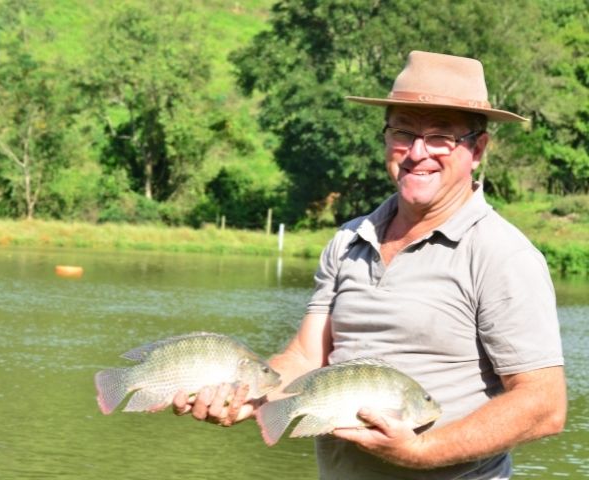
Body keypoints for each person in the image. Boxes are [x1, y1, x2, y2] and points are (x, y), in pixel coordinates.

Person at [173, 51, 567, 479]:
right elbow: (306, 357)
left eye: (441, 137)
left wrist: (421, 451)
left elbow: (543, 406)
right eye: (404, 132)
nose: (418, 152)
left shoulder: (502, 255)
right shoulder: (348, 240)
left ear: (478, 149)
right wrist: (245, 395)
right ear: (385, 139)